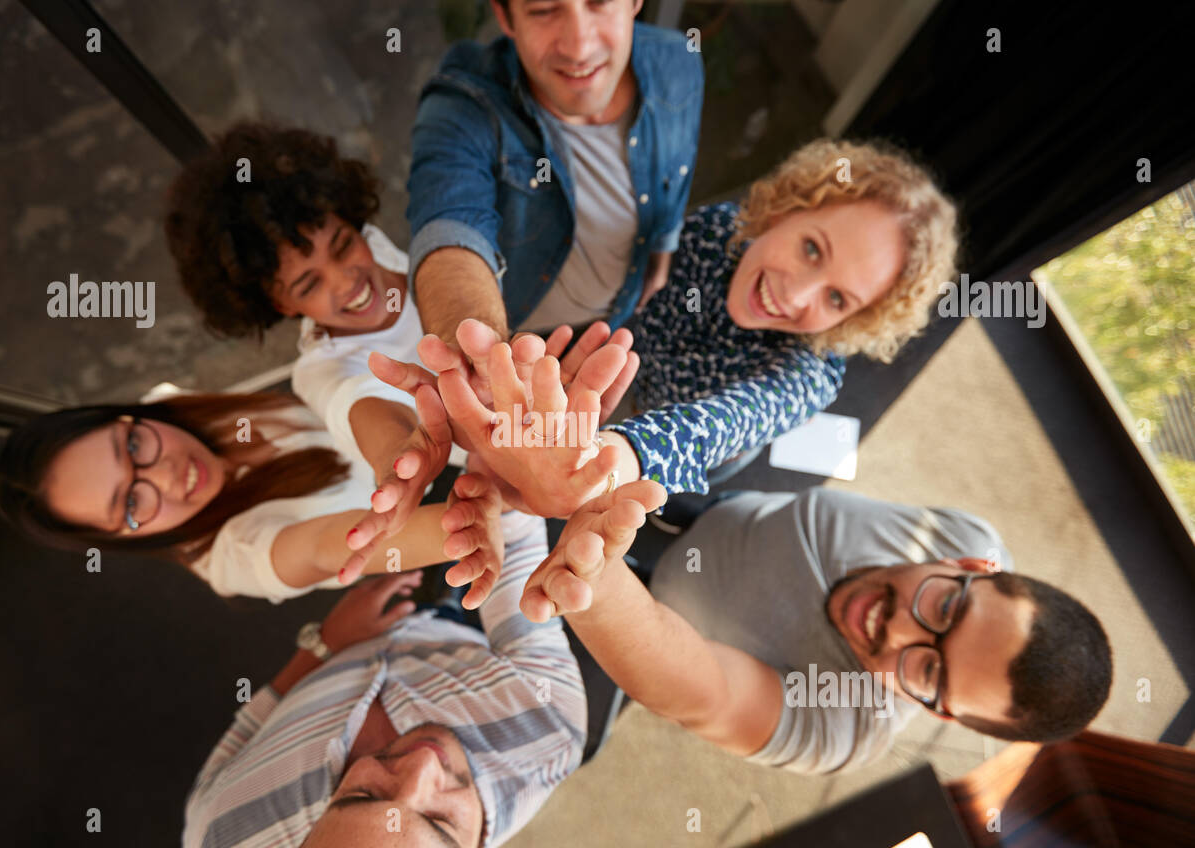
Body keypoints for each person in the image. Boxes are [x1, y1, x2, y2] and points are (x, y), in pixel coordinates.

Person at [391, 139, 958, 511]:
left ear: (855, 320)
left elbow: (710, 428)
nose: (796, 295)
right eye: (812, 248)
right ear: (788, 210)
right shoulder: (718, 230)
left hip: (663, 434)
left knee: (682, 489)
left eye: (837, 298)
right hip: (617, 369)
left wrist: (606, 464)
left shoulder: (806, 378)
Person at [163, 121, 636, 543]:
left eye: (343, 245)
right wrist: (400, 459)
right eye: (308, 284)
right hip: (504, 463)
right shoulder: (321, 371)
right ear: (279, 305)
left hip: (538, 373)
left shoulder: (377, 245)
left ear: (354, 221)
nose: (346, 281)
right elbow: (365, 413)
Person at [181, 473, 666, 848]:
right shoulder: (545, 728)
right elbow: (513, 529)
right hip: (479, 636)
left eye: (360, 796)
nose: (423, 764)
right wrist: (507, 478)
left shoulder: (220, 841)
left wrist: (322, 646)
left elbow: (244, 730)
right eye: (440, 823)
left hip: (357, 634)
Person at [525, 483, 1114, 773]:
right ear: (970, 565)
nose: (896, 631)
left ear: (940, 713)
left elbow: (705, 693)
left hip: (654, 611)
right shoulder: (967, 532)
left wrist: (596, 582)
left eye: (929, 671)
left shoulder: (844, 731)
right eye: (943, 608)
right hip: (729, 516)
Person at [0, 388, 500, 603]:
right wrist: (479, 515)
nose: (166, 475)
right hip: (449, 511)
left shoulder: (173, 406)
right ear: (122, 538)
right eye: (130, 504)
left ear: (129, 416)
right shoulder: (236, 555)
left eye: (132, 446)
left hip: (418, 428)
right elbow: (323, 547)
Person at [406, 0, 703, 351]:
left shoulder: (678, 61)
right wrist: (483, 355)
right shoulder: (465, 104)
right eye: (544, 10)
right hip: (522, 339)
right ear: (505, 17)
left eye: (601, 2)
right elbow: (449, 229)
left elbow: (678, 170)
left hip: (622, 313)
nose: (579, 48)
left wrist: (662, 251)